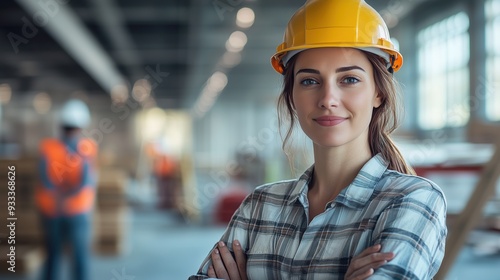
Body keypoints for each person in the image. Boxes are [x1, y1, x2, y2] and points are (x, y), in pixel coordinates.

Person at [189, 0, 447, 279]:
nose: (327, 100)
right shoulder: (260, 206)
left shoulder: (412, 201)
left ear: (378, 93)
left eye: (349, 79)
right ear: (292, 97)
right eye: (310, 81)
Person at [36, 99, 98, 280]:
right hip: (75, 211)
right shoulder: (86, 148)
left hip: (53, 210)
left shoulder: (48, 147)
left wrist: (59, 197)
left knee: (53, 256)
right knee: (77, 258)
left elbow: (45, 180)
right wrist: (67, 197)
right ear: (81, 127)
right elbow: (86, 181)